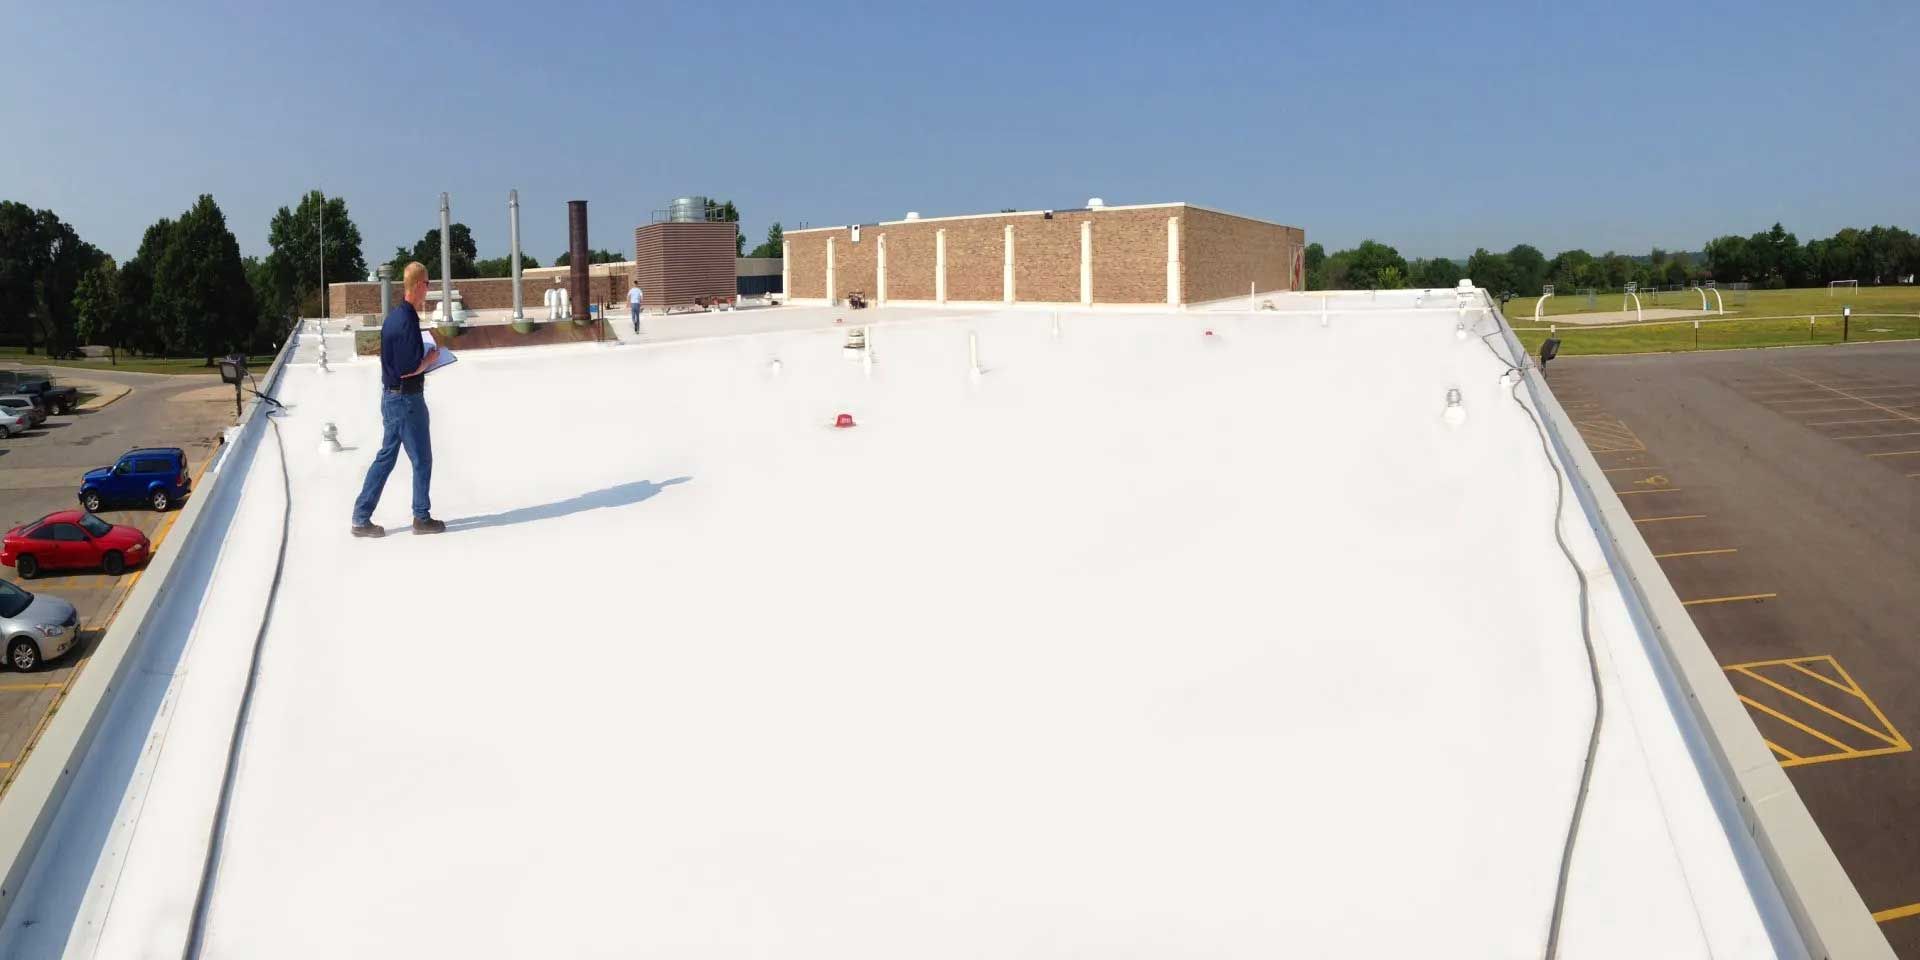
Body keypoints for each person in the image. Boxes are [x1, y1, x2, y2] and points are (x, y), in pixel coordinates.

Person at [351, 261, 445, 537]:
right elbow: (407, 369)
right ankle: (421, 517)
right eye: (427, 284)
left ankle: (361, 517)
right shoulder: (406, 320)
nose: (429, 289)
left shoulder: (396, 317)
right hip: (406, 402)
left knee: (386, 458)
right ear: (417, 285)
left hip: (393, 399)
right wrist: (431, 358)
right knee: (422, 459)